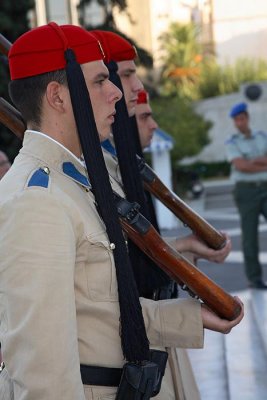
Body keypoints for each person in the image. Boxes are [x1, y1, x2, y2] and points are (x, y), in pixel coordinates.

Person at [0, 23, 243, 400]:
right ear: (58, 97)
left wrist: (186, 318)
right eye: (99, 81)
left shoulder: (75, 180)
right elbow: (43, 373)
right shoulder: (37, 200)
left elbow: (95, 311)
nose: (115, 92)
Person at [91, 31, 237, 400]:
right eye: (123, 74)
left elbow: (133, 255)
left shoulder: (106, 165)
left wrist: (186, 245)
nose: (134, 86)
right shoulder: (79, 175)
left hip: (151, 339)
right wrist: (187, 316)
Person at [225, 102, 267, 289]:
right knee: (249, 235)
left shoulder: (261, 137)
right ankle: (255, 278)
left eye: (242, 118)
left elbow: (247, 163)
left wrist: (254, 162)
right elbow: (241, 166)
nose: (239, 122)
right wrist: (259, 162)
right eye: (236, 120)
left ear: (247, 118)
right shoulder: (232, 142)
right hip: (246, 191)